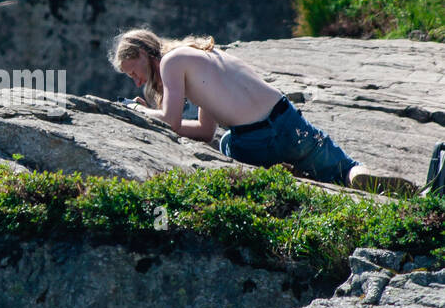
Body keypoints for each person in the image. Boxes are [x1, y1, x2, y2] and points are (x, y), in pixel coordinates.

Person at [108, 27, 418, 196]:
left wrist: (137, 113)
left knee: (228, 144)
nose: (136, 82)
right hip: (288, 119)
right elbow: (204, 131)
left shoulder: (170, 62)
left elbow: (171, 122)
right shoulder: (206, 53)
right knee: (344, 165)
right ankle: (357, 175)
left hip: (253, 140)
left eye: (131, 71)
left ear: (142, 53)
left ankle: (285, 170)